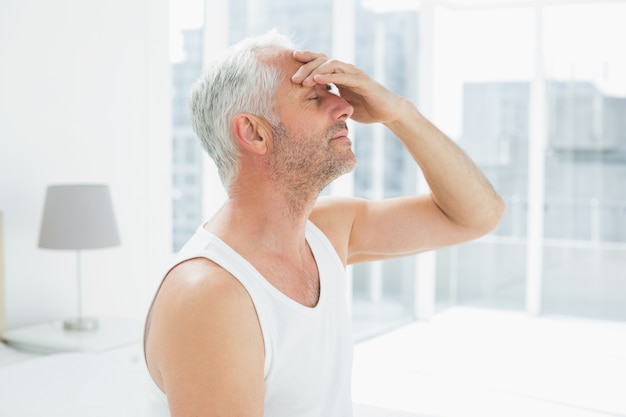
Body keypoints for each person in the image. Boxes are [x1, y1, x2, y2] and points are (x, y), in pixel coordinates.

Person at [144, 31, 505, 417]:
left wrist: (401, 113)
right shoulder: (211, 296)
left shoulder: (327, 233)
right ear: (254, 133)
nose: (346, 107)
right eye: (315, 97)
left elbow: (476, 216)